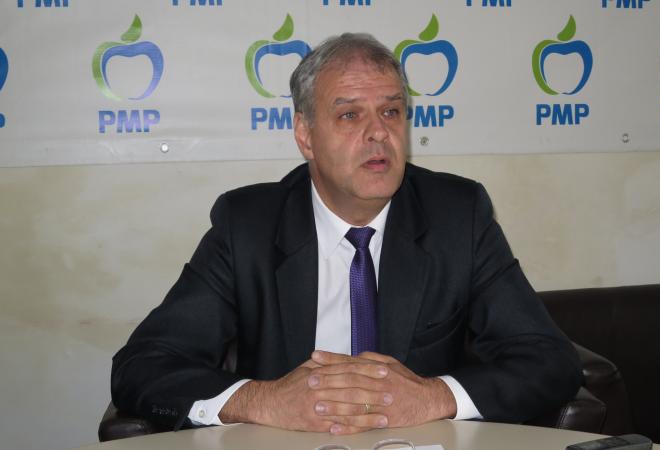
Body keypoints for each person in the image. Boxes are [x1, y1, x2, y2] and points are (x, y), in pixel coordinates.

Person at [111, 33, 582, 435]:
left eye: (391, 111)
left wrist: (433, 396)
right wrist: (264, 400)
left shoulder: (458, 216)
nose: (378, 134)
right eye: (350, 115)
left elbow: (549, 358)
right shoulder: (247, 226)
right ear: (306, 135)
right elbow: (143, 364)